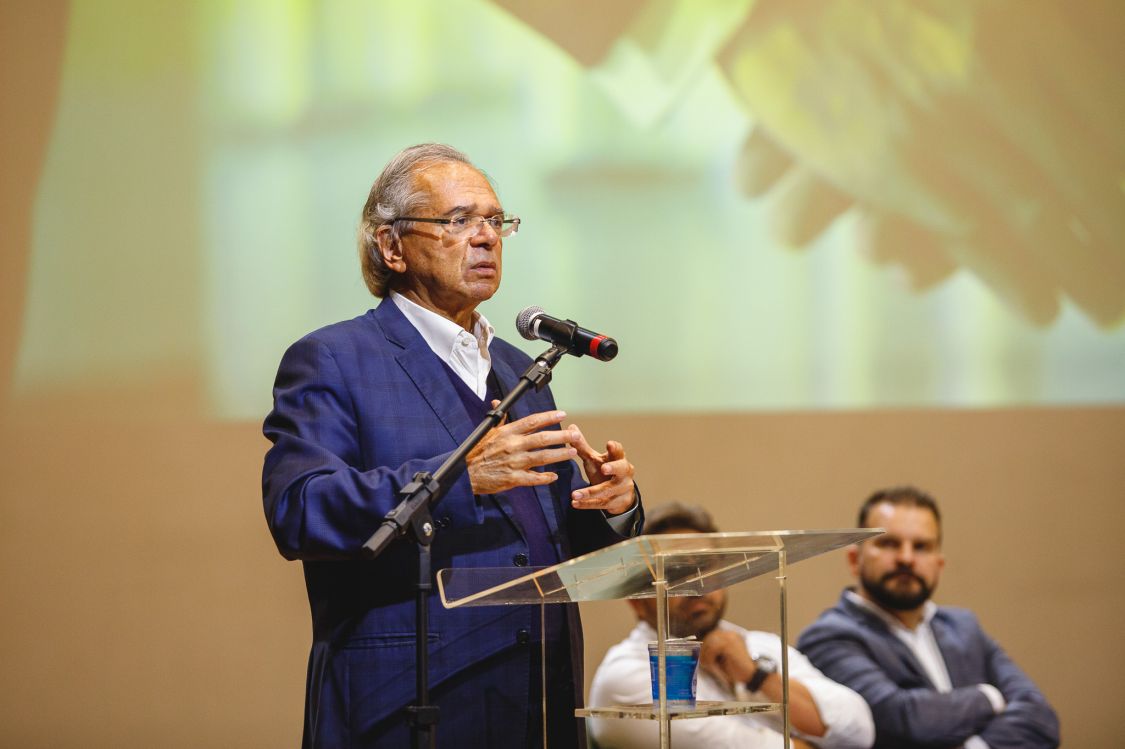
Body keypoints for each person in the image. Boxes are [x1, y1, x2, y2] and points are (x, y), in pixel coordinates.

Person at [262, 143, 642, 748]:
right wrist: (462, 478)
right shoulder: (333, 359)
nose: (487, 238)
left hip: (538, 699)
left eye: (496, 221)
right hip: (408, 701)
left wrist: (609, 506)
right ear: (392, 247)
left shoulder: (521, 367)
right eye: (459, 220)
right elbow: (301, 510)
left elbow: (542, 542)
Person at [588, 502, 874, 749]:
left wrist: (757, 675)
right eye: (677, 572)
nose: (698, 587)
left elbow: (860, 730)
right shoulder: (625, 675)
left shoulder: (760, 645)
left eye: (707, 568)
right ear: (637, 599)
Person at [797, 486, 1060, 749]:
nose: (906, 558)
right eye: (889, 543)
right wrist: (989, 697)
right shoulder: (828, 637)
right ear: (855, 559)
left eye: (921, 546)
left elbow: (1041, 721)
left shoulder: (963, 627)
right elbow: (902, 720)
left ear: (939, 563)